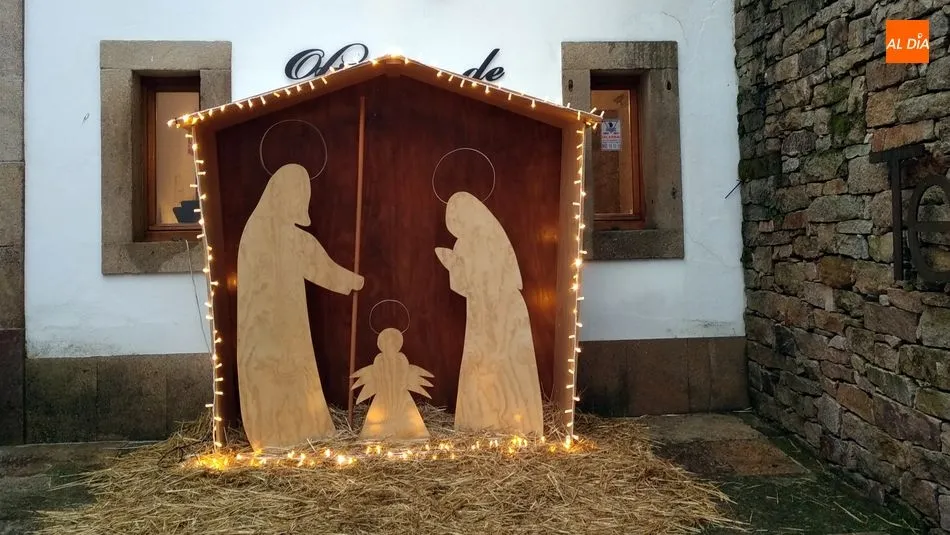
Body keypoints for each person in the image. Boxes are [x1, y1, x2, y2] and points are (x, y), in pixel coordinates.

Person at [237, 163, 364, 451]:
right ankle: (274, 431)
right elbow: (318, 265)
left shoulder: (270, 233)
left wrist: (351, 279)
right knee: (275, 375)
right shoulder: (263, 233)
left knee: (292, 372)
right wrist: (351, 279)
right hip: (265, 326)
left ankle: (299, 428)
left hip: (282, 323)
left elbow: (317, 262)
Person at [435, 191, 544, 436]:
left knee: (507, 361)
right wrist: (453, 264)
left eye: (458, 218)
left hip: (501, 311)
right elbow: (463, 286)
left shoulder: (491, 240)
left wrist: (458, 267)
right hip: (481, 311)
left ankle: (517, 422)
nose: (456, 225)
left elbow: (493, 278)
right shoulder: (462, 244)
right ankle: (481, 420)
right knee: (482, 363)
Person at [351, 327, 433, 440]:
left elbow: (404, 374)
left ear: (398, 344)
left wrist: (400, 384)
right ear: (381, 344)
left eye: (393, 343)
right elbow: (376, 375)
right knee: (377, 419)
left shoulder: (401, 358)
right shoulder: (379, 359)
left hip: (400, 394)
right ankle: (374, 435)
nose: (390, 346)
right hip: (383, 394)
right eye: (386, 343)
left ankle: (409, 433)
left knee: (408, 418)